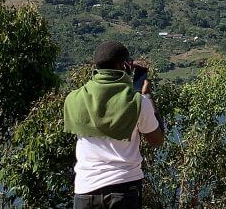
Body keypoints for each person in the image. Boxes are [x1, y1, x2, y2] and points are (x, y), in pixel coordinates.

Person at [64, 41, 165, 208]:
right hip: (124, 187)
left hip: (85, 189)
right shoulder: (138, 103)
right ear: (123, 65)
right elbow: (156, 140)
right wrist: (147, 97)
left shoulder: (74, 99)